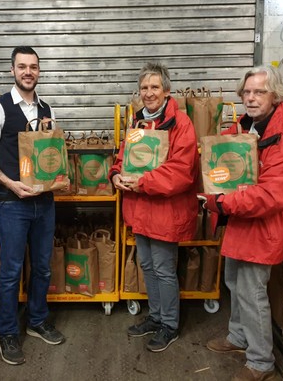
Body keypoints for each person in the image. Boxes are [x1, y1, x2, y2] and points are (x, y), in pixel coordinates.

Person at [202, 66, 283, 381]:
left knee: (252, 293)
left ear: (275, 96)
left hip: (263, 229)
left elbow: (270, 196)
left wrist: (222, 202)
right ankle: (238, 337)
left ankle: (261, 363)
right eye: (247, 92)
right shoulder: (246, 129)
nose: (250, 98)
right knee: (234, 284)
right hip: (242, 224)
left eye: (259, 92)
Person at [0, 46, 65, 366]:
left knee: (42, 267)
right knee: (11, 272)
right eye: (22, 66)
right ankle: (8, 332)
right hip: (11, 204)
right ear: (12, 70)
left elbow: (50, 153)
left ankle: (37, 321)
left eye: (34, 67)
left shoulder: (46, 108)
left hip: (45, 203)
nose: (28, 71)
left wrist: (57, 177)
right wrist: (9, 183)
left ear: (39, 71)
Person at [109, 62, 200, 352]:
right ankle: (157, 316)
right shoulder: (137, 124)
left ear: (167, 90)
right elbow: (123, 158)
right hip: (140, 209)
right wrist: (116, 175)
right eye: (144, 88)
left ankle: (169, 325)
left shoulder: (181, 125)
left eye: (155, 87)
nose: (149, 93)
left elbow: (181, 172)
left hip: (165, 211)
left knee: (163, 268)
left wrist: (142, 182)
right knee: (147, 265)